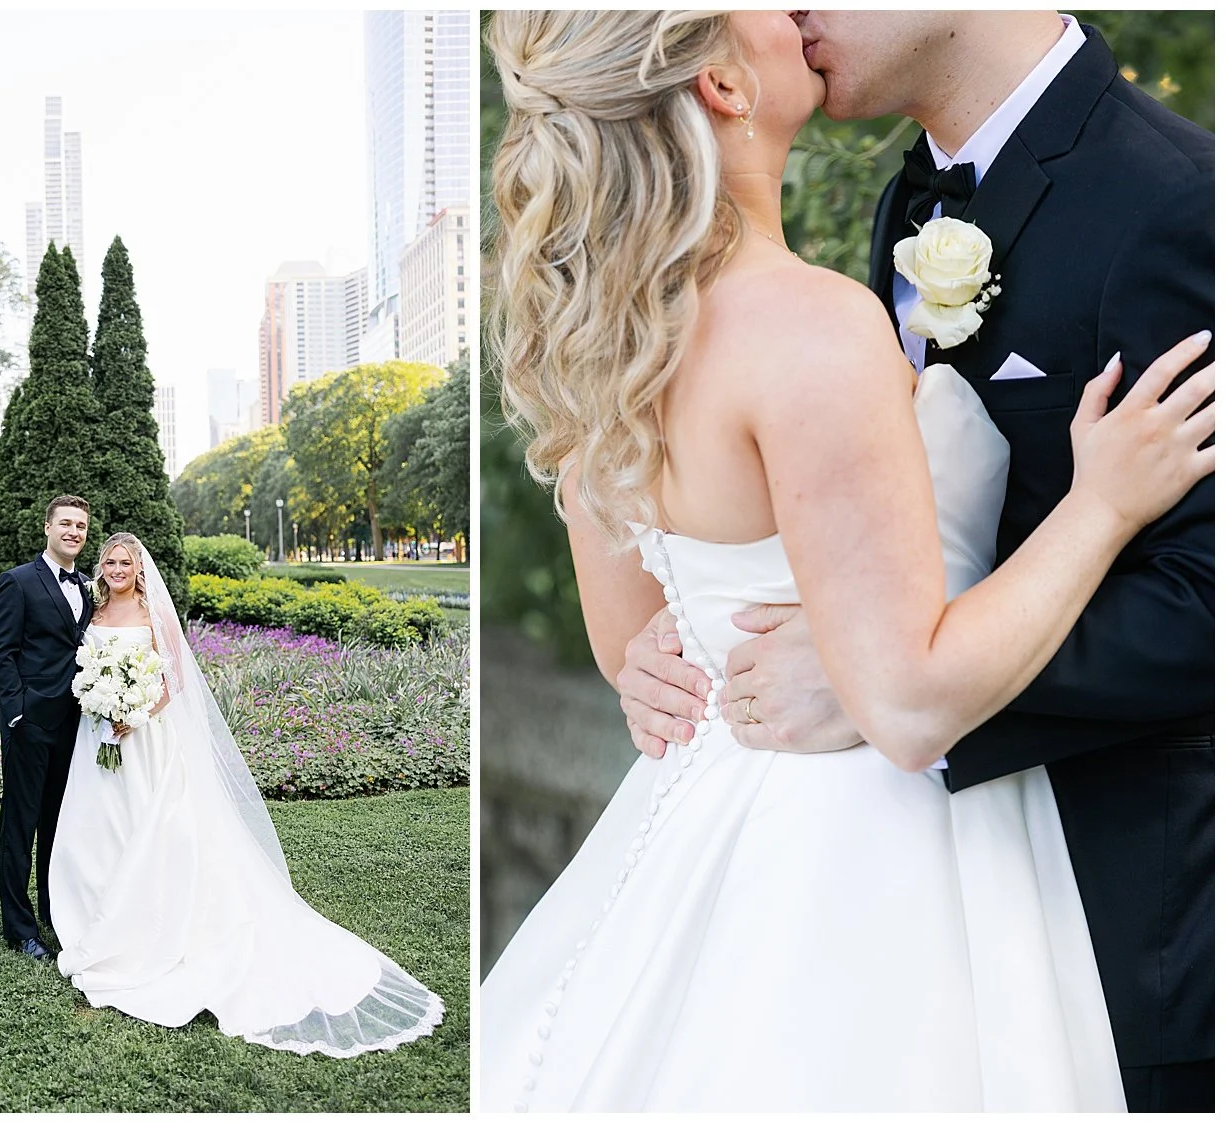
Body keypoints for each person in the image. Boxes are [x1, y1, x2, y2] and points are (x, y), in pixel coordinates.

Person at [480, 10, 1213, 1111]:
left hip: (783, 830)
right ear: (724, 87)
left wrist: (817, 665)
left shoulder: (613, 330)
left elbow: (637, 627)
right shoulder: (834, 297)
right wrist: (1096, 508)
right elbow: (901, 684)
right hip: (864, 856)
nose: (799, 8)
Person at [46, 532, 443, 1056]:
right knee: (95, 829)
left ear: (139, 569)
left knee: (156, 829)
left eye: (126, 562)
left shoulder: (153, 612)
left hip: (145, 738)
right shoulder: (94, 611)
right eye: (111, 561)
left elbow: (176, 678)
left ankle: (150, 926)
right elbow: (86, 669)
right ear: (102, 567)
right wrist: (105, 706)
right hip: (98, 738)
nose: (118, 568)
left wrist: (135, 714)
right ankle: (95, 917)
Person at [0, 495, 93, 961]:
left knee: (59, 826)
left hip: (77, 726)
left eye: (82, 526)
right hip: (31, 724)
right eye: (66, 523)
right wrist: (17, 713)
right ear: (47, 527)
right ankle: (19, 928)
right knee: (20, 825)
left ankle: (57, 913)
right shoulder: (18, 582)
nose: (74, 531)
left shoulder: (90, 587)